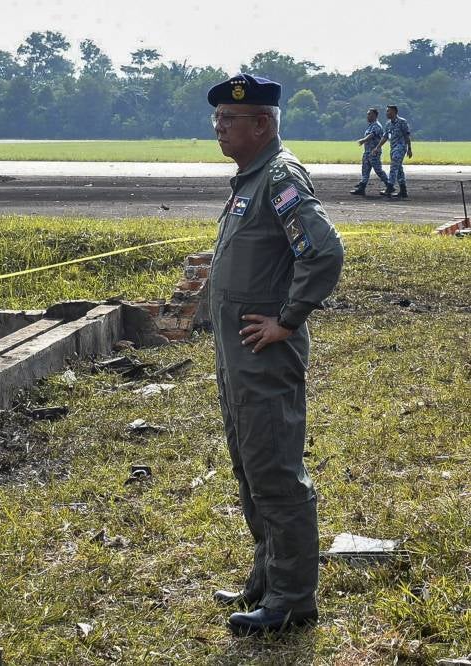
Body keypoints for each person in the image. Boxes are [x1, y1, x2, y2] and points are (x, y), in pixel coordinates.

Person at [206, 73, 344, 636]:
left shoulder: (280, 177)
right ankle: (265, 579)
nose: (218, 128)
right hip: (238, 355)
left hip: (264, 354)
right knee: (249, 465)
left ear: (261, 123)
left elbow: (324, 251)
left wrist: (286, 320)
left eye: (228, 119)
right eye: (216, 119)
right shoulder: (249, 180)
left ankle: (291, 599)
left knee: (276, 472)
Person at [372, 105, 413, 198]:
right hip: (393, 148)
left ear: (394, 112)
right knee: (398, 169)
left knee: (394, 166)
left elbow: (407, 135)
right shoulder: (388, 124)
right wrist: (377, 147)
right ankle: (403, 190)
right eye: (387, 111)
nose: (387, 113)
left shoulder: (402, 122)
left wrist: (409, 148)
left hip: (400, 147)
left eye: (388, 111)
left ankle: (389, 187)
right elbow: (385, 137)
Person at [349, 108, 389, 196]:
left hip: (374, 152)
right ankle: (362, 188)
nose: (367, 116)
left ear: (374, 115)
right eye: (367, 114)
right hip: (367, 152)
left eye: (369, 114)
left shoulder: (376, 126)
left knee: (378, 170)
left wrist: (363, 140)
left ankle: (389, 185)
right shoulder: (371, 125)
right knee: (365, 170)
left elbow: (372, 135)